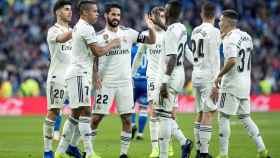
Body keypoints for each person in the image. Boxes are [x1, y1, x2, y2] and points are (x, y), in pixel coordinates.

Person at [54, 0, 120, 158]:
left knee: (76, 114)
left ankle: (60, 152)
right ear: (85, 13)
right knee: (86, 112)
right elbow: (97, 51)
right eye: (94, 11)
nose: (97, 14)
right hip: (78, 74)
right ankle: (89, 153)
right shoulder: (86, 28)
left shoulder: (80, 26)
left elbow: (91, 53)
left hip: (80, 74)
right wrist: (113, 43)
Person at [90, 3, 156, 158]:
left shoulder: (129, 33)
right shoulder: (99, 36)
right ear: (106, 15)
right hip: (105, 83)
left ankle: (123, 154)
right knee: (96, 119)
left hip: (125, 84)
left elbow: (151, 40)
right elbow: (93, 58)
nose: (116, 18)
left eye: (118, 15)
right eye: (113, 14)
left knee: (127, 119)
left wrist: (151, 27)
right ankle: (88, 151)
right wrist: (94, 76)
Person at [210, 9, 272, 158]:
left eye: (221, 20)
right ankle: (262, 150)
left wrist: (219, 76)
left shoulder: (229, 39)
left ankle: (223, 154)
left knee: (224, 116)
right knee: (245, 117)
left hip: (231, 84)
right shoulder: (246, 36)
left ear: (227, 22)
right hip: (245, 83)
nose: (219, 22)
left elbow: (232, 60)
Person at [155, 1, 193, 158]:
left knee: (163, 117)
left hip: (170, 76)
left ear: (169, 14)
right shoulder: (181, 28)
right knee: (164, 113)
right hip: (180, 74)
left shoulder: (171, 31)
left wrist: (164, 82)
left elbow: (171, 58)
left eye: (166, 9)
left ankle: (163, 155)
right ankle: (185, 143)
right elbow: (172, 36)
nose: (164, 11)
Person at [43, 1, 75, 158]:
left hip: (74, 77)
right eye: (66, 9)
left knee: (81, 111)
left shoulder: (74, 30)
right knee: (54, 112)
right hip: (58, 77)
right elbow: (62, 39)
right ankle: (47, 150)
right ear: (57, 12)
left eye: (71, 9)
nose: (70, 12)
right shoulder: (52, 31)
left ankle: (66, 148)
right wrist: (78, 30)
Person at [190, 2, 221, 158]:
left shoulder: (195, 30)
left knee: (200, 112)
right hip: (209, 76)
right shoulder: (215, 32)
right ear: (214, 16)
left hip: (196, 75)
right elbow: (215, 58)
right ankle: (204, 153)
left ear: (202, 14)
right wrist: (217, 82)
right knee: (209, 112)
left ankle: (198, 150)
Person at [131, 42, 149, 140]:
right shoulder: (149, 48)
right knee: (143, 108)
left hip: (134, 80)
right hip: (146, 81)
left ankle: (132, 124)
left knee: (131, 106)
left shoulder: (133, 49)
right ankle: (140, 134)